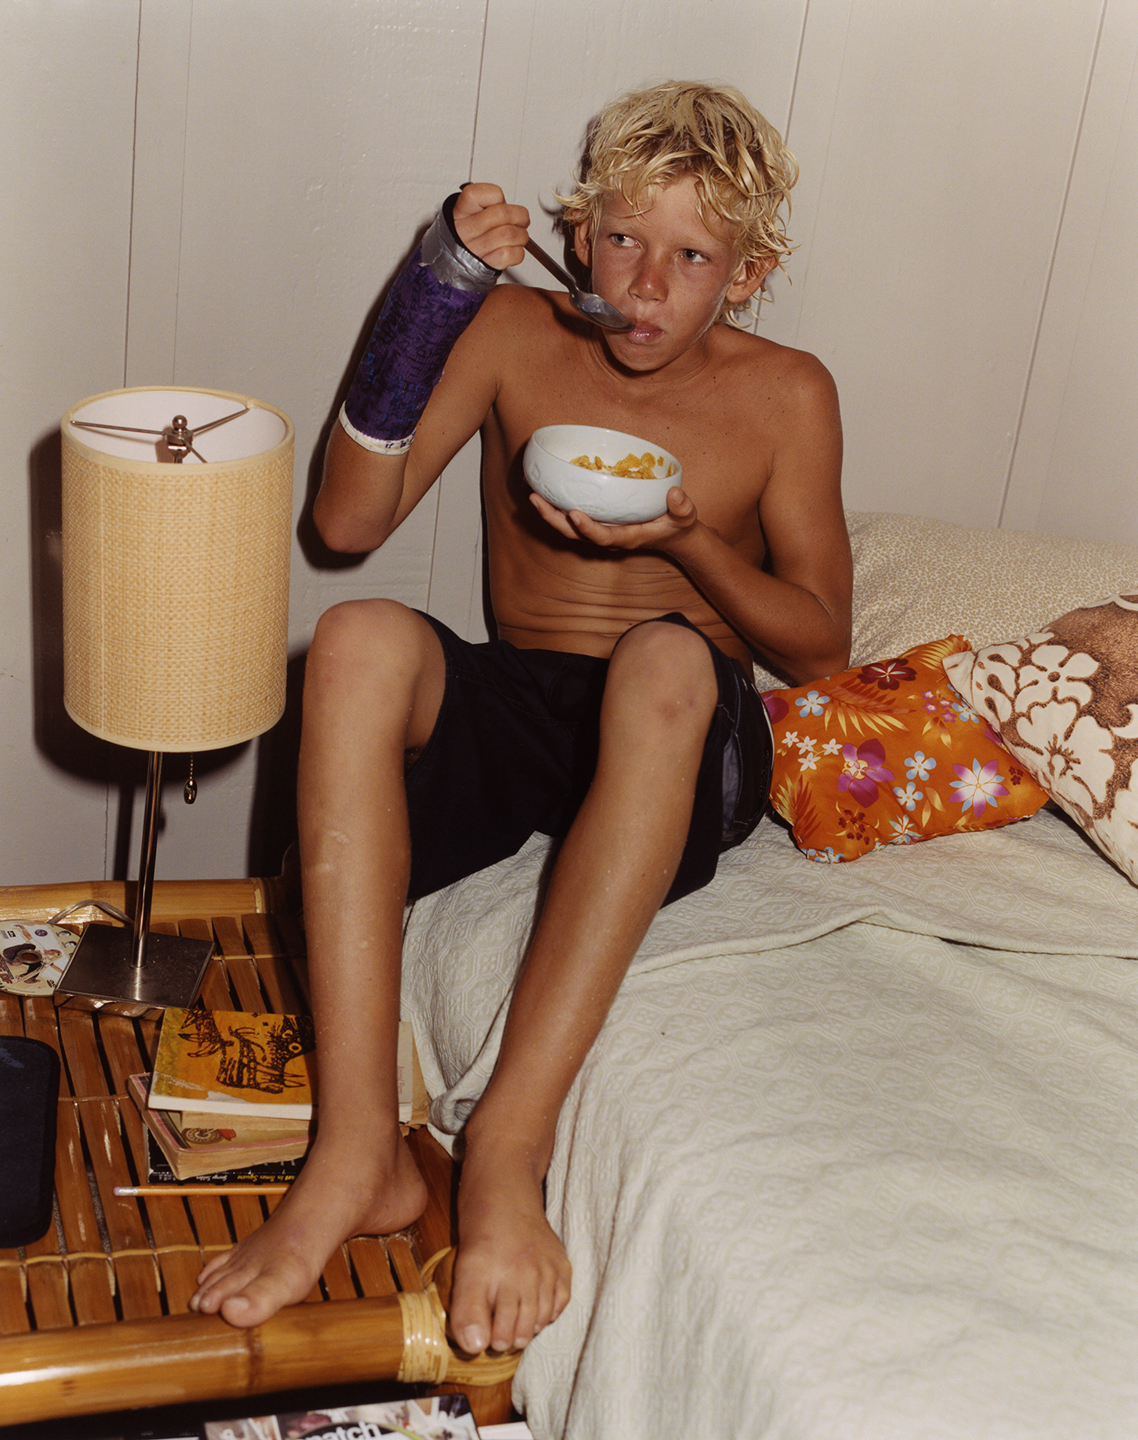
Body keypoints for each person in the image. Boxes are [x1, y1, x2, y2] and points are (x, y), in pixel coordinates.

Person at [191, 79, 851, 1357]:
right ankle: (355, 1158)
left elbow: (821, 641)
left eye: (692, 257)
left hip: (678, 722)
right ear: (578, 227)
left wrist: (689, 539)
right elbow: (343, 527)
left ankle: (504, 1149)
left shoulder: (788, 394)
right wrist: (431, 287)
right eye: (620, 240)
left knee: (663, 658)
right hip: (526, 695)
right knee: (359, 636)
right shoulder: (509, 334)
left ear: (748, 274)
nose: (645, 285)